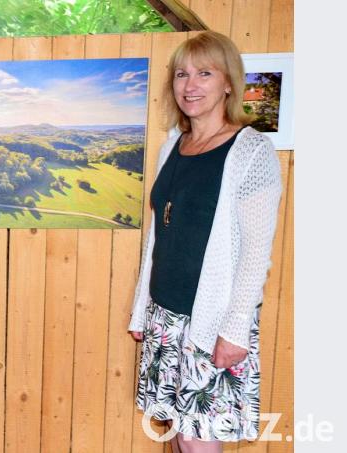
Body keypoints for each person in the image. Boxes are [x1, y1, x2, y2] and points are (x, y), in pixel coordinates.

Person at [127, 31, 282, 452]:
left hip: (213, 321)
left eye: (204, 73)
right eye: (181, 74)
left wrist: (234, 332)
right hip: (166, 316)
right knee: (179, 434)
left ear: (228, 82)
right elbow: (161, 235)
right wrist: (143, 311)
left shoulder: (251, 151)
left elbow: (255, 254)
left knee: (199, 442)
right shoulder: (173, 145)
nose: (189, 85)